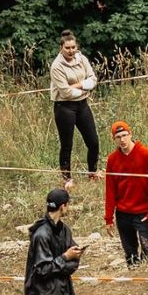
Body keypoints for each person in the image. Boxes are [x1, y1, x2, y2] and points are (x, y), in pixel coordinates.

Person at [24, 188, 83, 295]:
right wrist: (65, 257)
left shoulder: (65, 231)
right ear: (63, 206)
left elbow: (75, 261)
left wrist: (64, 262)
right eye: (67, 205)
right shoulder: (41, 234)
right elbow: (42, 269)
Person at [104, 120, 148, 267]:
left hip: (143, 213)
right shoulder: (112, 159)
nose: (122, 140)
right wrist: (109, 218)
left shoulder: (146, 154)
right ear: (114, 139)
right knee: (130, 253)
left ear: (130, 134)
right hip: (123, 212)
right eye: (118, 137)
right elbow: (110, 189)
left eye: (124, 135)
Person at [49, 29, 99, 187]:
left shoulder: (81, 58)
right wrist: (85, 88)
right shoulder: (56, 66)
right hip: (64, 107)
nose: (71, 51)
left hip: (82, 104)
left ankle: (92, 172)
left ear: (76, 47)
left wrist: (79, 86)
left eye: (73, 47)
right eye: (67, 48)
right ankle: (67, 178)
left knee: (93, 141)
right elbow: (65, 92)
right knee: (67, 144)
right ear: (61, 48)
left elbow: (93, 79)